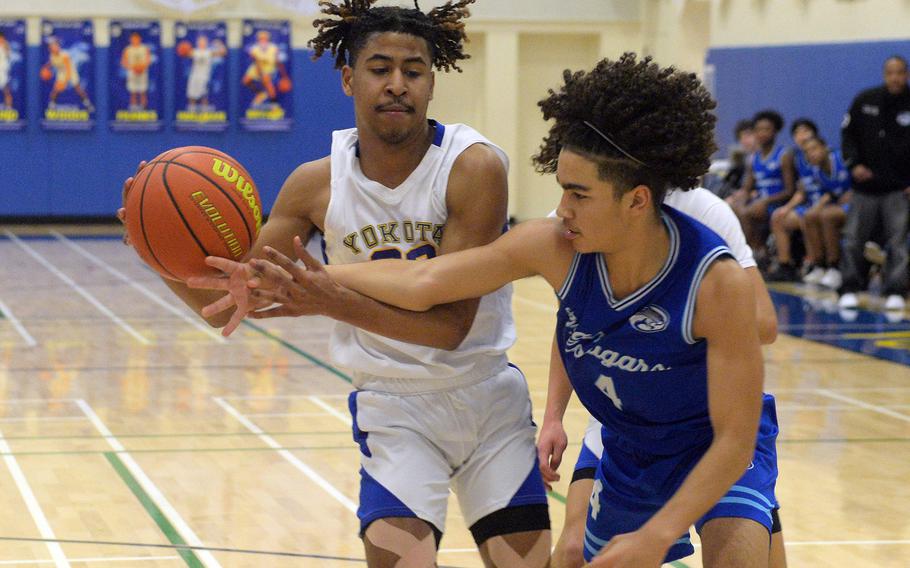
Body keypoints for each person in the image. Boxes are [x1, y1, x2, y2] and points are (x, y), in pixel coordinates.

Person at [234, 53, 779, 568]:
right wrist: (314, 279)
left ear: (637, 200)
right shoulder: (552, 245)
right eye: (561, 187)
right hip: (630, 444)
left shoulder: (717, 282)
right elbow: (424, 280)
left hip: (715, 446)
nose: (560, 208)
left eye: (578, 194)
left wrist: (660, 534)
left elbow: (735, 438)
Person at [123, 1, 552, 567]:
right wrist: (158, 250)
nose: (397, 84)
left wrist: (330, 299)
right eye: (380, 68)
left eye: (413, 71)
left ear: (432, 82)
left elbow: (449, 327)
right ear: (349, 77)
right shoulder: (313, 186)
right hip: (393, 409)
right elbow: (228, 300)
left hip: (485, 397)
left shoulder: (473, 168)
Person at [539, 185, 786, 568]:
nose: (565, 203)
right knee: (573, 550)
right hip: (626, 420)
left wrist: (682, 317)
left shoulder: (704, 211)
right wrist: (553, 416)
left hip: (707, 417)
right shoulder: (586, 217)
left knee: (745, 553)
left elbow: (765, 324)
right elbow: (572, 327)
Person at [838, 55, 910, 310]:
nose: (896, 78)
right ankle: (849, 287)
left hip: (898, 189)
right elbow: (847, 136)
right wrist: (854, 164)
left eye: (901, 72)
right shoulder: (864, 100)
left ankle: (896, 291)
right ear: (884, 74)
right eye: (891, 72)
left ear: (907, 74)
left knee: (898, 242)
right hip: (864, 188)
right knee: (854, 240)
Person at [728, 110, 795, 265]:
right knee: (736, 207)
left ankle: (754, 254)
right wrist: (741, 198)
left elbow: (790, 190)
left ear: (775, 131)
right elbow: (746, 187)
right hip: (761, 202)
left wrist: (765, 201)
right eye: (758, 129)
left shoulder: (784, 155)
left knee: (749, 211)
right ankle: (756, 251)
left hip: (779, 201)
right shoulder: (753, 158)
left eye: (767, 129)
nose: (762, 133)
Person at [766, 118, 820, 282]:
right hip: (809, 204)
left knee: (808, 218)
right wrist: (787, 207)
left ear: (814, 134)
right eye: (796, 133)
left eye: (805, 131)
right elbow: (801, 191)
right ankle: (785, 265)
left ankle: (814, 263)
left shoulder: (826, 154)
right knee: (779, 217)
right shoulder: (798, 158)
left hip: (826, 205)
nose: (801, 136)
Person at [799, 136, 852, 290]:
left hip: (859, 204)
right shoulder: (816, 171)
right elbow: (829, 194)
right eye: (807, 152)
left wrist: (852, 193)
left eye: (814, 149)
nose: (811, 154)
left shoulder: (842, 160)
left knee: (827, 216)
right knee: (809, 215)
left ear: (825, 148)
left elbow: (860, 182)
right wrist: (819, 205)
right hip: (838, 205)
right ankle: (819, 266)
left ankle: (835, 268)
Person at [42, 37, 94, 112]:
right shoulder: (52, 56)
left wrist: (65, 81)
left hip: (71, 72)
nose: (53, 48)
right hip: (61, 72)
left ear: (58, 47)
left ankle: (88, 104)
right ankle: (51, 105)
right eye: (51, 47)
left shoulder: (64, 55)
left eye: (54, 46)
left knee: (78, 89)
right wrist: (46, 67)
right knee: (56, 89)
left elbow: (68, 69)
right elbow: (51, 63)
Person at [242, 30, 290, 108]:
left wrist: (284, 76)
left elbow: (277, 61)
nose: (263, 40)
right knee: (245, 81)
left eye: (264, 38)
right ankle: (260, 93)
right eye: (261, 38)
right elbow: (255, 60)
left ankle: (274, 102)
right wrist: (258, 70)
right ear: (258, 39)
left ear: (268, 39)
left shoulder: (273, 48)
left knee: (267, 82)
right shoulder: (254, 48)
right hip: (256, 68)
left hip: (269, 68)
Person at [182, 35, 226, 112]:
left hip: (204, 78)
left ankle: (204, 116)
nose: (202, 43)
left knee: (204, 97)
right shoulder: (194, 51)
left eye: (203, 42)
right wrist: (184, 49)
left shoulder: (209, 52)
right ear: (198, 43)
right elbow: (184, 53)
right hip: (194, 78)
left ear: (206, 43)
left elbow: (223, 53)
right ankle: (191, 114)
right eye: (200, 42)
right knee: (192, 97)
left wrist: (219, 44)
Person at [121, 32, 151, 110]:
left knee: (143, 91)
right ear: (131, 39)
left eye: (136, 39)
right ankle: (133, 107)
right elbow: (123, 62)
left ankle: (144, 107)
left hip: (142, 72)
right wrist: (132, 67)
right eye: (133, 39)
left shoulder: (144, 48)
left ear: (139, 39)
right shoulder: (127, 49)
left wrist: (141, 67)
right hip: (132, 72)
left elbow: (148, 60)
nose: (135, 40)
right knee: (132, 91)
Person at [0, 31, 12, 109]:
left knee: (6, 90)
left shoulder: (6, 45)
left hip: (3, 71)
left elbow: (8, 56)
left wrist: (5, 46)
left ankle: (9, 107)